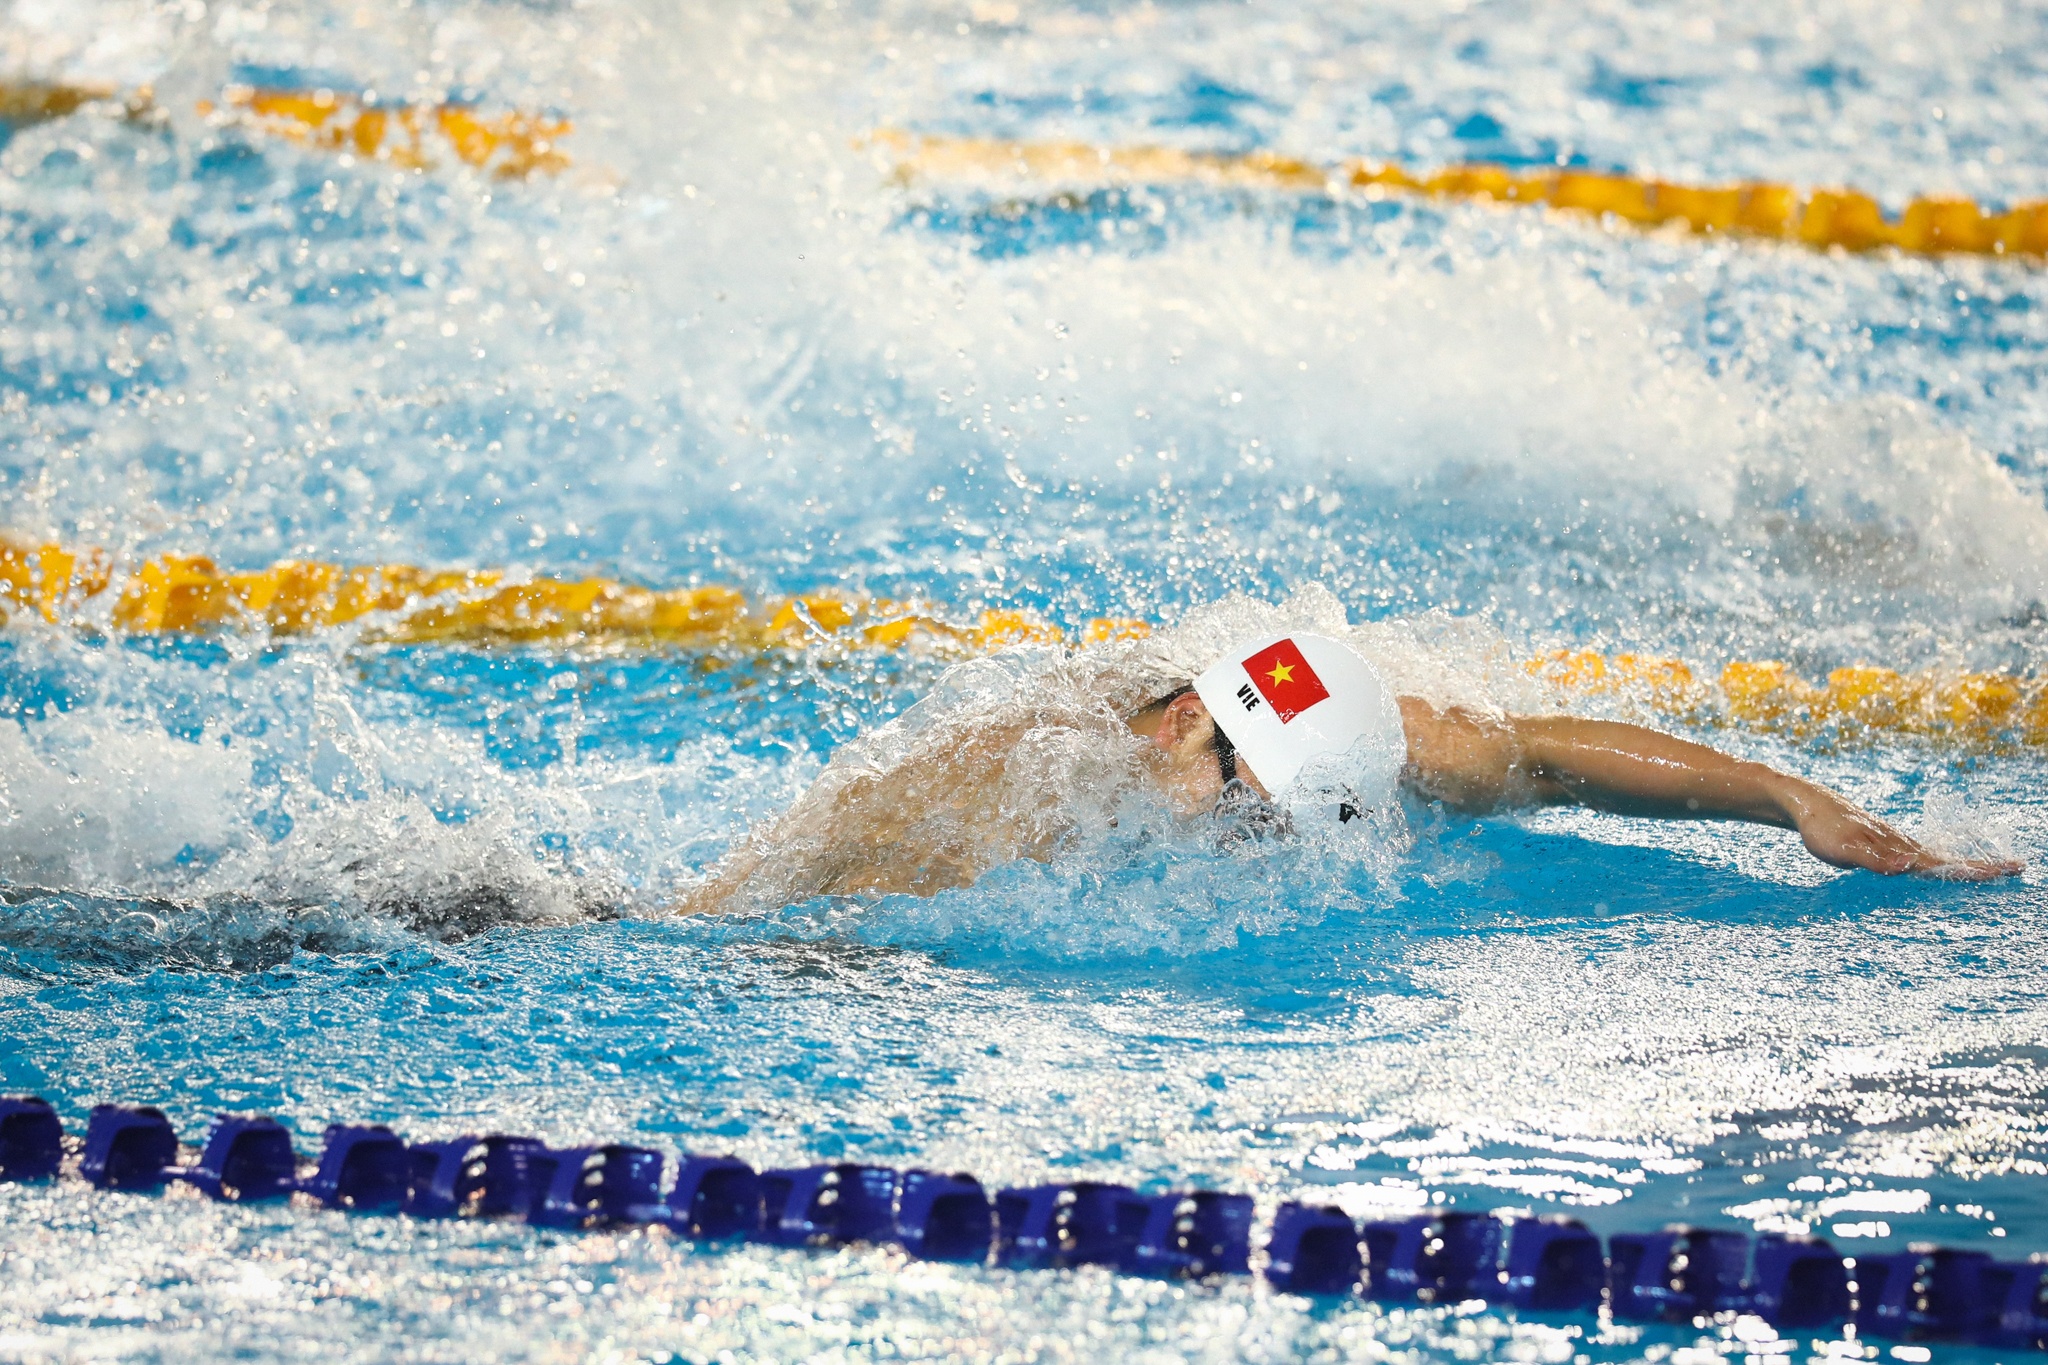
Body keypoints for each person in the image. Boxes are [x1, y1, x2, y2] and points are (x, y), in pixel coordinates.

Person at [677, 628, 2020, 916]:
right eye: (1179, 729)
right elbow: (777, 915)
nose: (1161, 756)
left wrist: (1796, 800)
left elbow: (1549, 757)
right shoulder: (1027, 790)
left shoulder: (1385, 733)